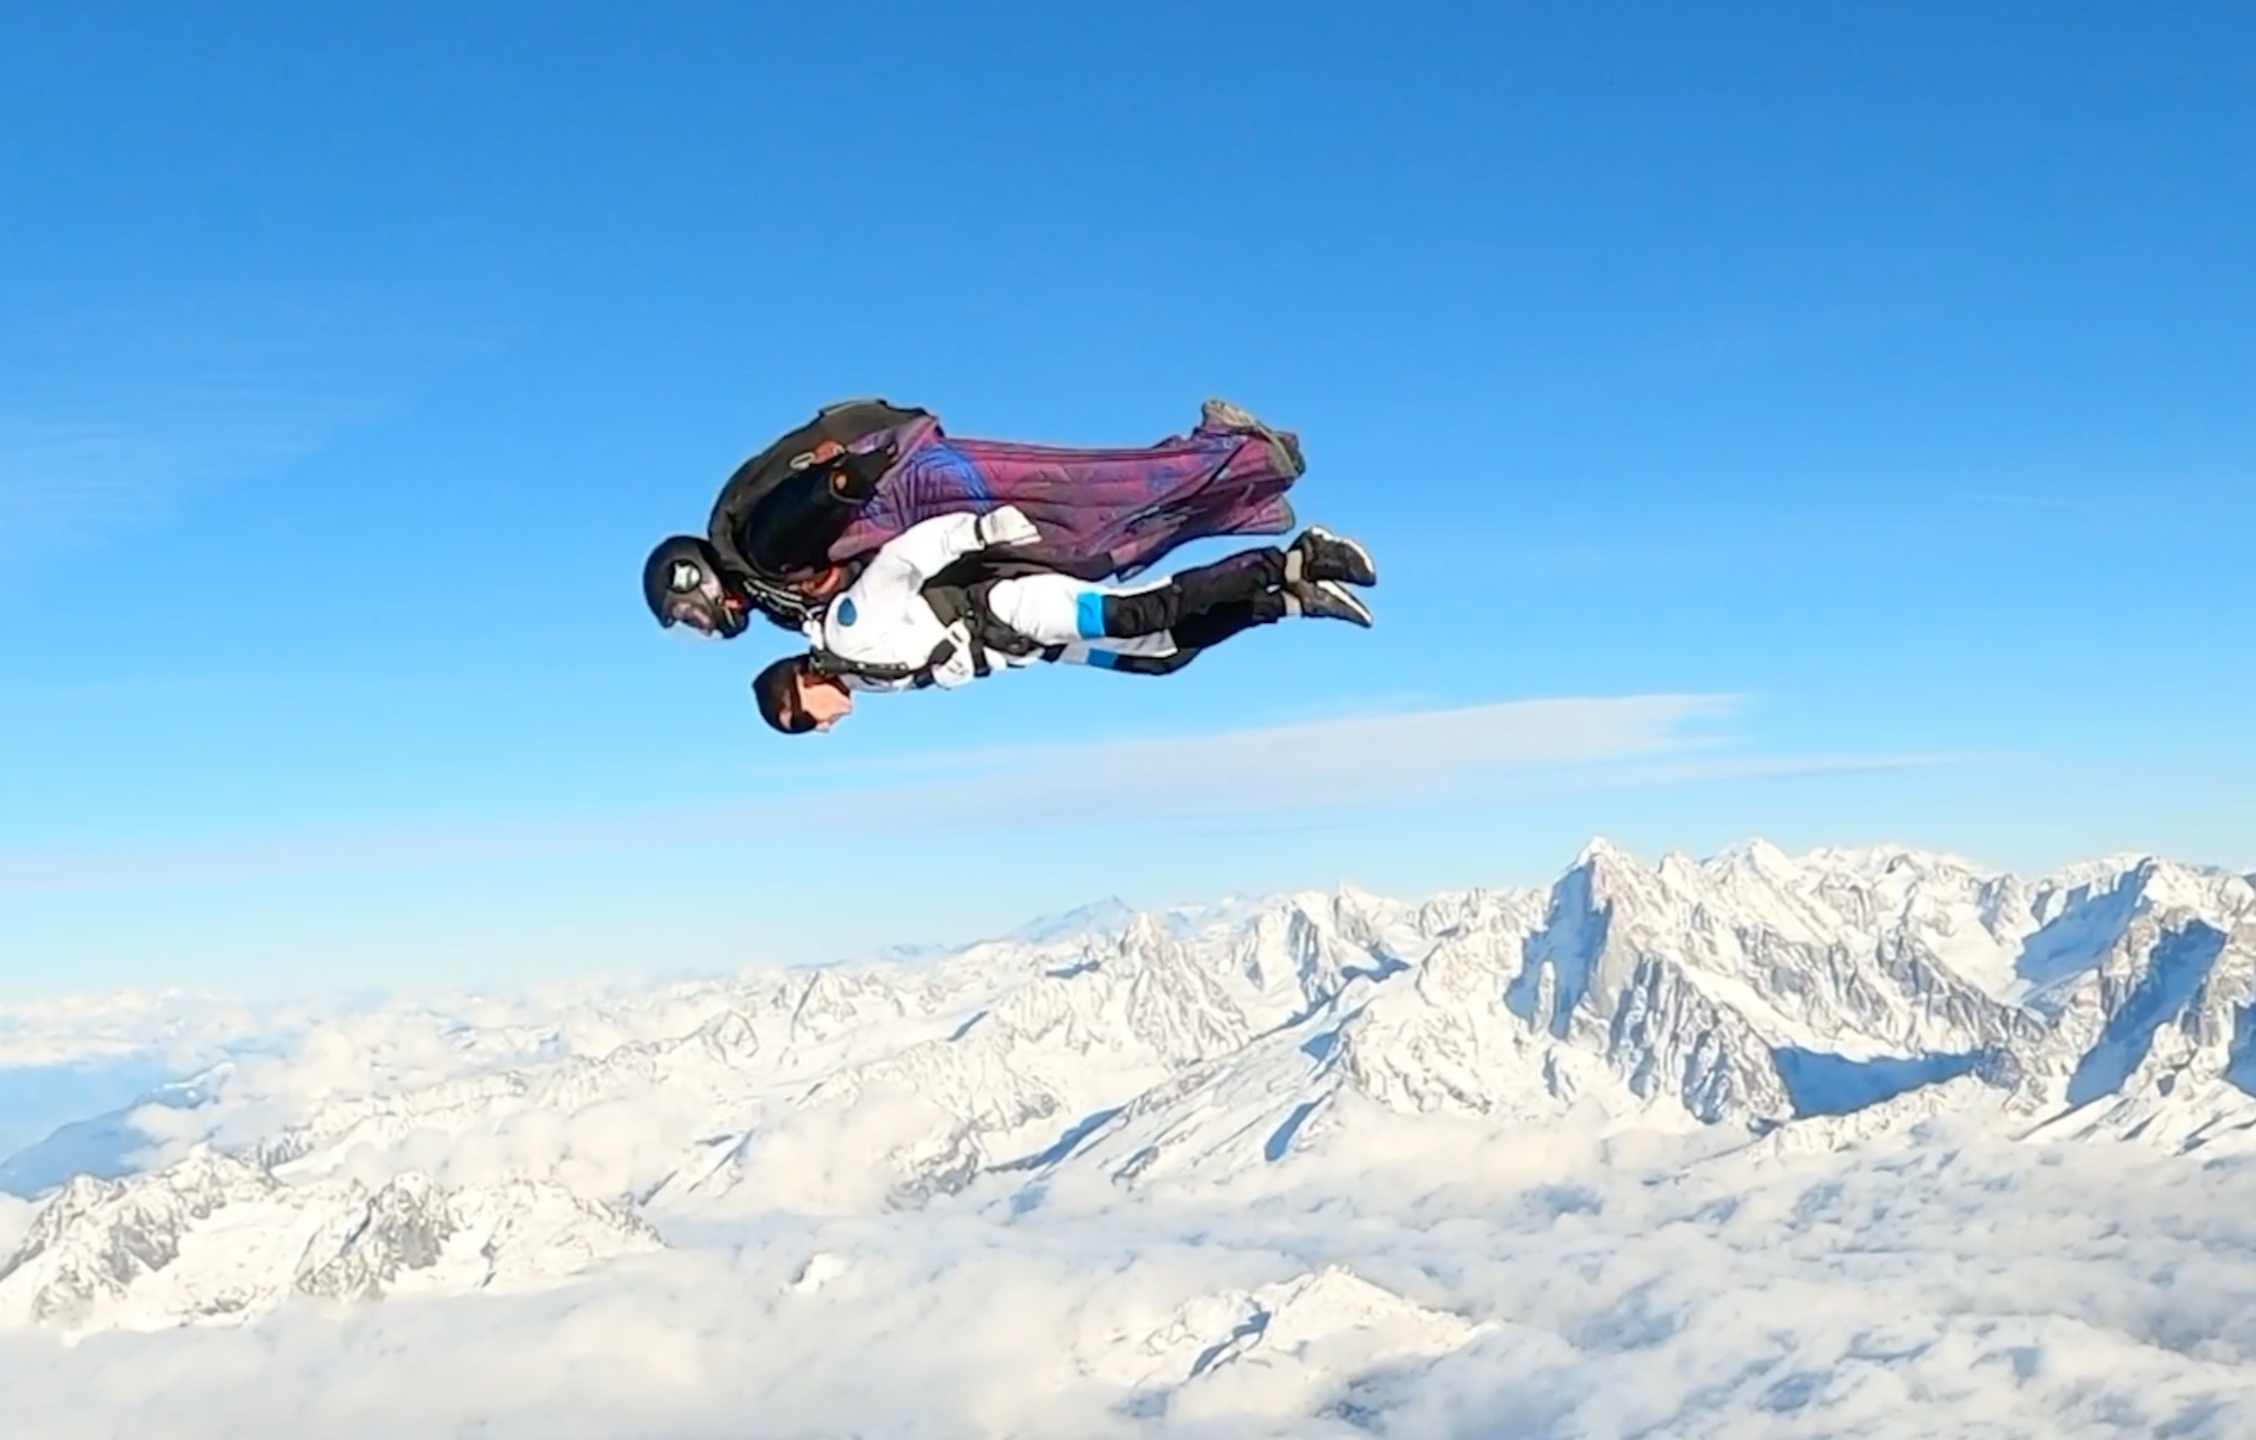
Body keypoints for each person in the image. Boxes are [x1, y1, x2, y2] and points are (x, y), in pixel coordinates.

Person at [640, 398, 1309, 634]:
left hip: (907, 489)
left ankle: (1240, 453)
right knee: (1086, 550)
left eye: (692, 615)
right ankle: (1240, 502)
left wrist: (844, 482)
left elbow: (804, 507)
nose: (705, 626)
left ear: (696, 578)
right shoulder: (773, 594)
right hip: (924, 524)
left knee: (1086, 491)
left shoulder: (755, 552)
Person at [742, 505, 1377, 735]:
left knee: (1139, 613)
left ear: (800, 686)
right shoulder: (860, 674)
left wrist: (978, 532)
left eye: (806, 722)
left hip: (1010, 610)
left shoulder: (848, 633)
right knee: (1160, 657)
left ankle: (1295, 558)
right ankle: (1289, 600)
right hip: (1024, 645)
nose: (823, 728)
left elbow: (901, 564)